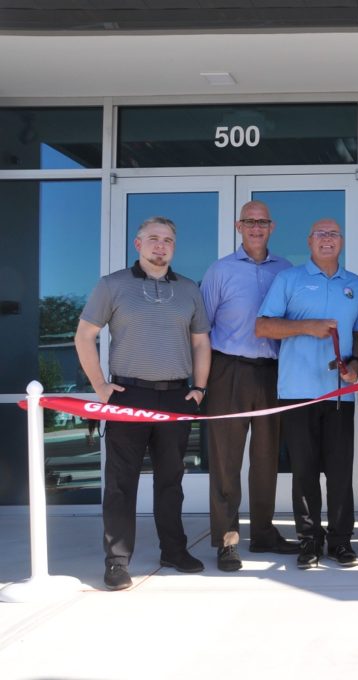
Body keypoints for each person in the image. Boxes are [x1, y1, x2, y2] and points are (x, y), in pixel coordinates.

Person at [74, 216, 211, 590]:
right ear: (138, 244)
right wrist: (100, 385)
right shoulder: (112, 285)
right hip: (127, 395)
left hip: (176, 396)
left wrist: (199, 387)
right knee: (121, 483)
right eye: (153, 239)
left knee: (171, 480)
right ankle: (117, 561)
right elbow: (84, 336)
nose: (160, 245)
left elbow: (200, 342)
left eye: (168, 240)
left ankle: (174, 550)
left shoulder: (188, 289)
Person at [255, 218, 358, 570]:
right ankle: (309, 541)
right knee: (304, 472)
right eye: (320, 234)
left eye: (333, 234)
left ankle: (341, 542)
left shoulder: (356, 285)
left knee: (339, 473)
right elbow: (263, 326)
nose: (327, 240)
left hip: (339, 394)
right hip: (298, 392)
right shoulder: (288, 279)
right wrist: (308, 327)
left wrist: (356, 363)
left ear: (342, 242)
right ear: (309, 240)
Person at [200, 200, 297, 572]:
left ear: (272, 227)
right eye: (250, 221)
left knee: (266, 458)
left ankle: (263, 532)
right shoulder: (221, 270)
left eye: (263, 222)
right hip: (229, 370)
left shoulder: (286, 270)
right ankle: (227, 540)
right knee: (226, 459)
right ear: (239, 226)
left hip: (272, 372)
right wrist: (203, 381)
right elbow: (202, 329)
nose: (257, 227)